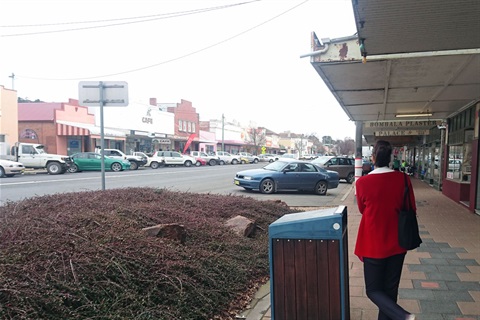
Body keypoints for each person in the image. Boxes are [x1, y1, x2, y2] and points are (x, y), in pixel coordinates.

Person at [354, 140, 416, 320]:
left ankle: (403, 315)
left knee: (373, 290)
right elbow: (411, 206)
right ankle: (400, 315)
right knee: (390, 291)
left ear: (373, 158)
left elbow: (361, 209)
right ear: (390, 158)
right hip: (398, 241)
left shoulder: (363, 183)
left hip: (372, 243)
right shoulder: (403, 179)